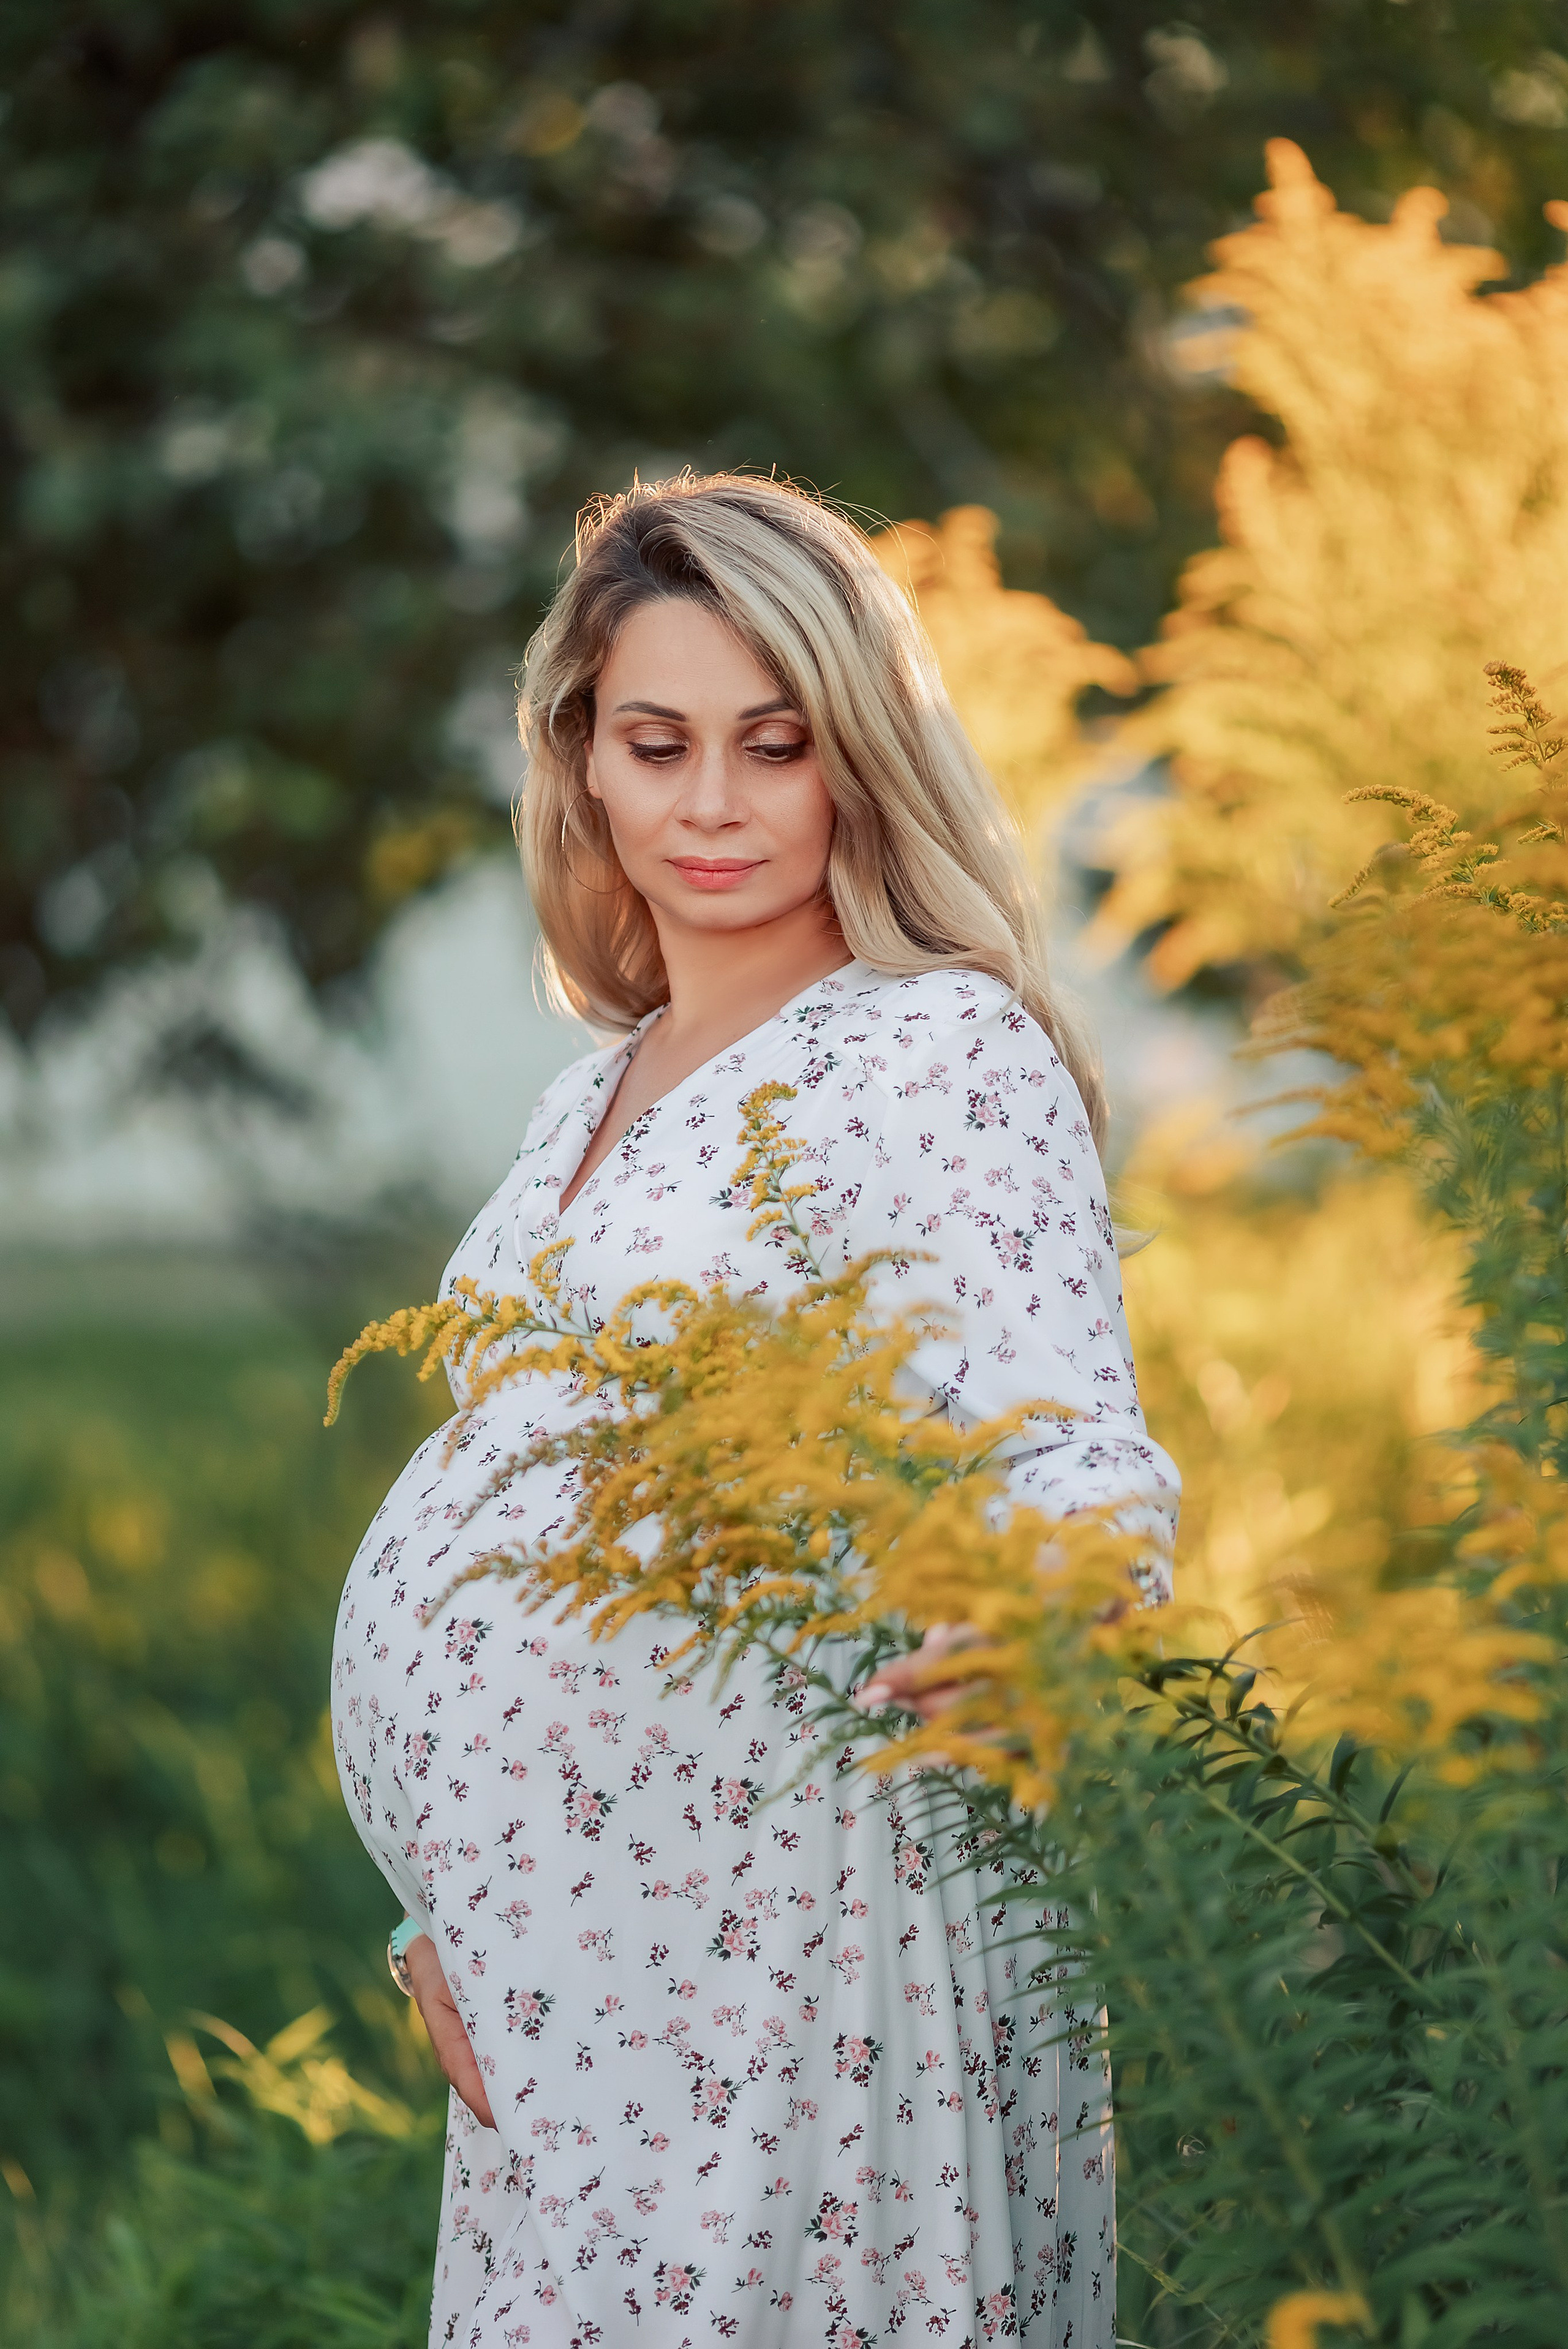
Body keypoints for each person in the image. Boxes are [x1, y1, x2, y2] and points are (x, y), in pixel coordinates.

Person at [331, 473, 1179, 2349]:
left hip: (791, 1964)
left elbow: (1066, 1437)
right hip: (570, 1993)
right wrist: (433, 1907)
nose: (712, 805)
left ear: (857, 762)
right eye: (661, 743)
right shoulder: (593, 1094)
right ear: (586, 764)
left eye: (774, 747)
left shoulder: (927, 1047)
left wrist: (1055, 1593)